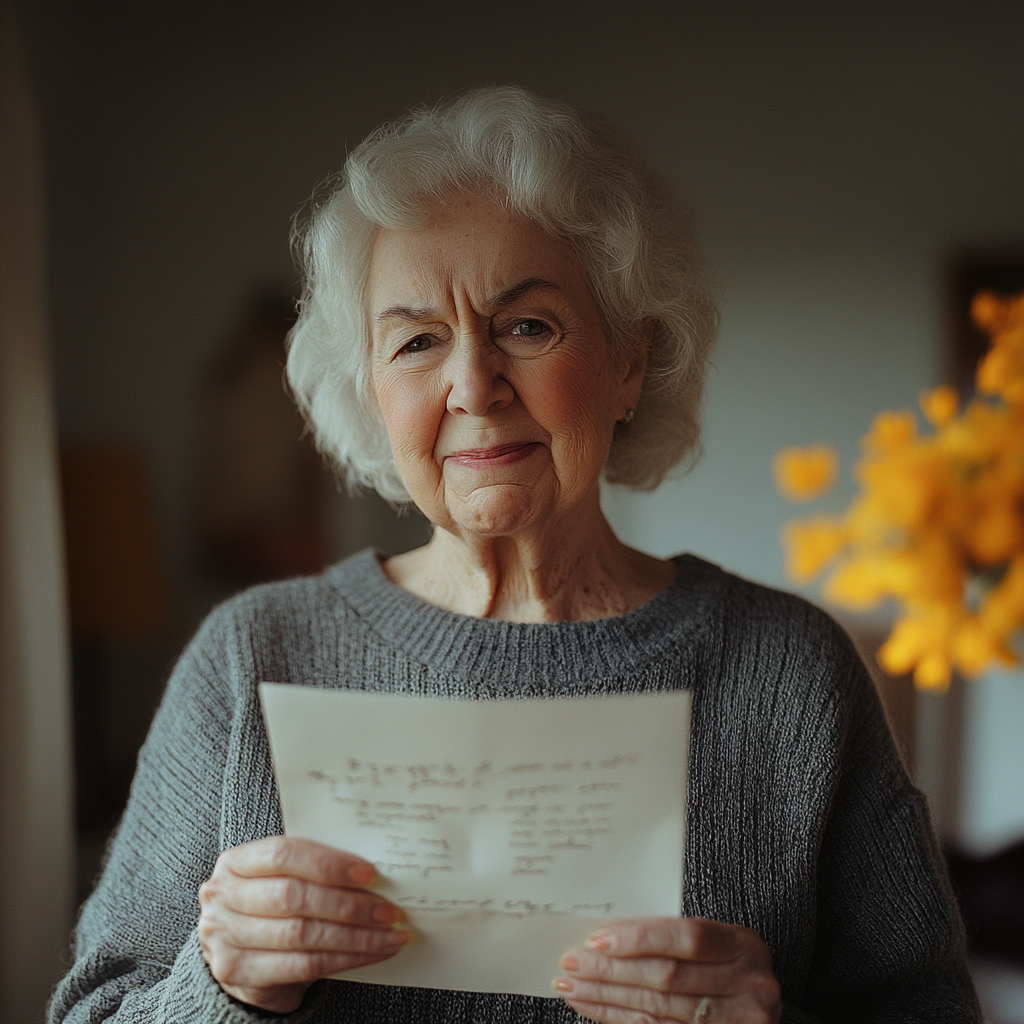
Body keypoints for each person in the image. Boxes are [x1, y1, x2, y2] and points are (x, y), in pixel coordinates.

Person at [49, 87, 981, 1024]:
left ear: (628, 360)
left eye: (526, 327)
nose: (472, 386)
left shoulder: (790, 670)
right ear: (372, 394)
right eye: (416, 341)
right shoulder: (249, 654)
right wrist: (222, 987)